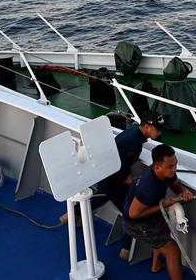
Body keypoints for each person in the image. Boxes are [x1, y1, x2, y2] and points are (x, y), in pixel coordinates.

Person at [60, 110, 165, 260]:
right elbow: (115, 163)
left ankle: (71, 214)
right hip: (112, 179)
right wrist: (125, 178)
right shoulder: (134, 143)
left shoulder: (134, 133)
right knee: (130, 212)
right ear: (148, 127)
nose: (160, 132)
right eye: (158, 129)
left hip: (108, 176)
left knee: (102, 197)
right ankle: (126, 250)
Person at [123, 144, 193, 279]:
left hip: (149, 214)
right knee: (172, 251)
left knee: (163, 231)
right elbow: (134, 214)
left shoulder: (167, 172)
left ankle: (156, 266)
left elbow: (175, 184)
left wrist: (184, 192)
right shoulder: (148, 187)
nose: (174, 169)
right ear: (157, 167)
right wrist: (164, 205)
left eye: (175, 164)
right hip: (134, 224)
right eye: (171, 167)